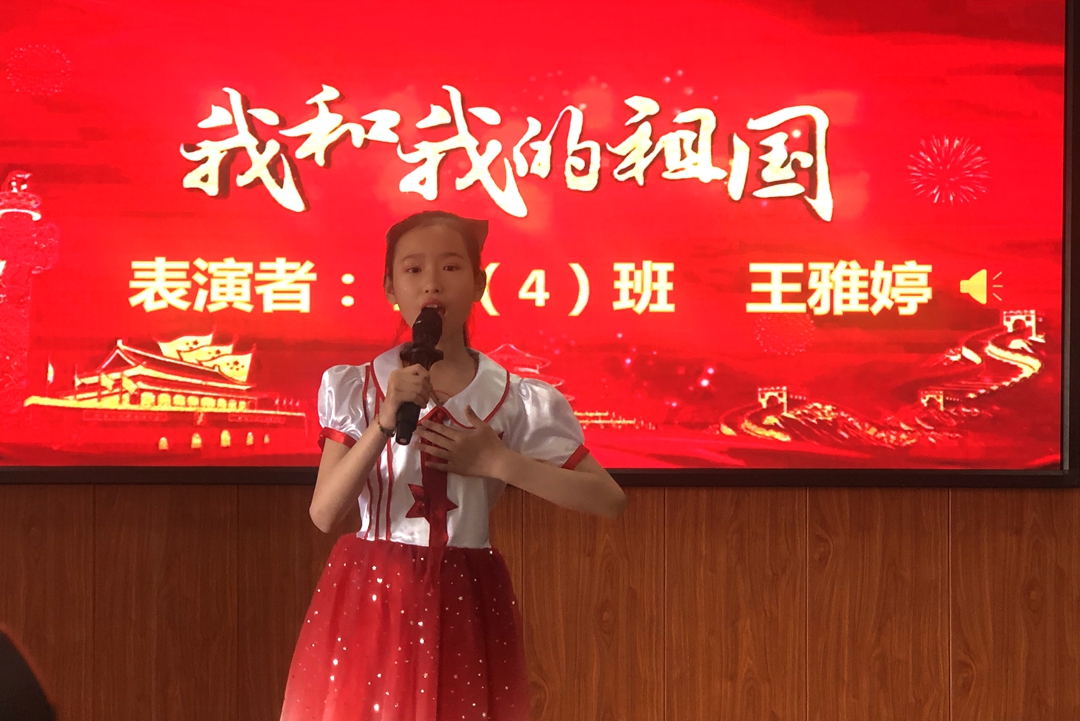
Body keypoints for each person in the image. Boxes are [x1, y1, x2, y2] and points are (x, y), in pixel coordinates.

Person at [279, 210, 626, 721]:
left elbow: (608, 500)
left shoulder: (517, 397)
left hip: (467, 591)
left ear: (479, 283)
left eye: (451, 267)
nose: (432, 284)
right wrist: (383, 422)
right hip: (375, 591)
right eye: (413, 269)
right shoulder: (358, 386)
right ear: (390, 287)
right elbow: (324, 513)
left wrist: (498, 461)